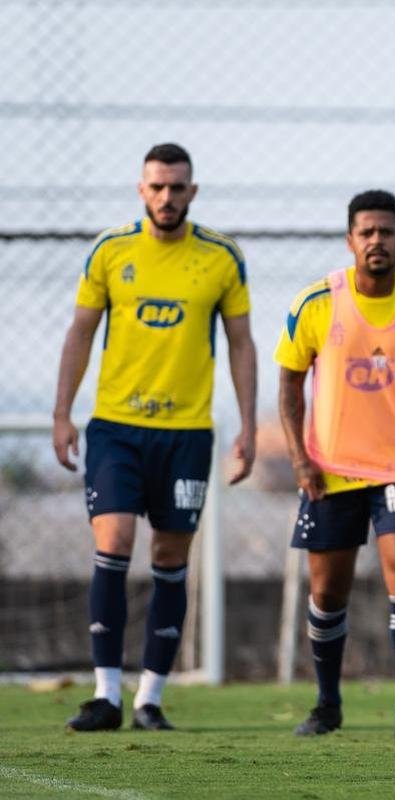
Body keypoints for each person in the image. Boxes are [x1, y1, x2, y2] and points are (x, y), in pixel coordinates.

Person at [52, 143, 258, 731]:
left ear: (193, 191)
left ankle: (149, 699)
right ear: (141, 190)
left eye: (177, 187)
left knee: (170, 556)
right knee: (114, 540)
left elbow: (241, 343)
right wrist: (62, 413)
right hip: (117, 427)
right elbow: (80, 332)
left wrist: (248, 426)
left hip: (186, 433)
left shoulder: (221, 257)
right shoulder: (111, 251)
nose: (167, 197)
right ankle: (106, 695)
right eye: (157, 187)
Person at [274, 190, 395, 739]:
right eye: (366, 232)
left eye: (386, 231)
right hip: (331, 469)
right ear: (350, 240)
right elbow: (289, 382)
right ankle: (327, 704)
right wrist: (299, 458)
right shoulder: (317, 302)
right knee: (326, 593)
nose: (376, 241)